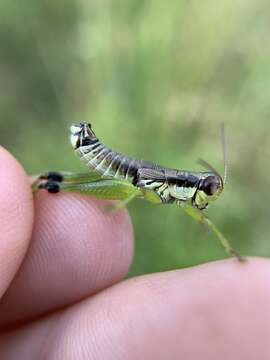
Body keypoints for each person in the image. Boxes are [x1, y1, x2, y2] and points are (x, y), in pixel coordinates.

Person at [0, 146, 269, 360]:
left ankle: (44, 186)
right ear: (194, 185)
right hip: (126, 176)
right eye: (209, 189)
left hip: (132, 179)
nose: (209, 196)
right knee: (67, 186)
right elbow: (140, 188)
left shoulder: (181, 189)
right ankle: (33, 193)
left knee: (58, 183)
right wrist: (118, 207)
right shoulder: (169, 184)